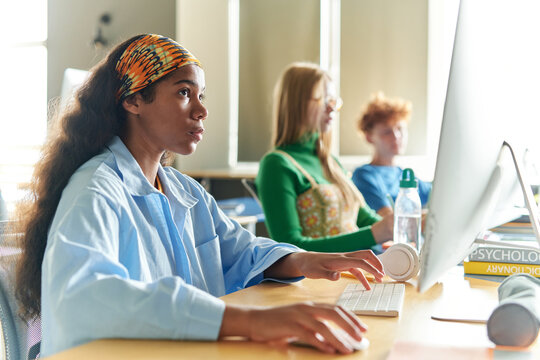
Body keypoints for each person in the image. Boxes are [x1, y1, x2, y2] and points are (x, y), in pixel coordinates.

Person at [13, 35, 386, 357]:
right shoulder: (95, 189)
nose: (202, 110)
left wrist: (305, 260)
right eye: (183, 93)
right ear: (133, 101)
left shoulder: (182, 189)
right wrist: (252, 322)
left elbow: (242, 251)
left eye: (200, 95)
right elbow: (91, 296)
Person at [256, 62, 394, 253]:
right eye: (324, 100)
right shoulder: (276, 165)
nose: (331, 108)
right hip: (322, 280)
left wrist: (397, 227)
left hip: (360, 271)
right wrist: (375, 234)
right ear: (297, 102)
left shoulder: (330, 162)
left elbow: (365, 219)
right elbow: (291, 248)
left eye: (334, 101)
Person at [352, 92, 431, 217]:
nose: (396, 136)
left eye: (400, 129)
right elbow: (388, 219)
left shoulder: (405, 175)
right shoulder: (364, 176)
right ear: (369, 137)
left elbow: (439, 194)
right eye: (387, 132)